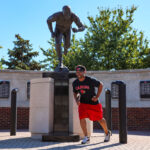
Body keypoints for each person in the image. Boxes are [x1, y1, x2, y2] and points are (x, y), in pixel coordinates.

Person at [72, 65, 111, 144]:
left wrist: (97, 97)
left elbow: (101, 84)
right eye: (77, 72)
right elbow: (75, 92)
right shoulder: (75, 83)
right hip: (83, 103)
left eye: (80, 71)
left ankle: (107, 133)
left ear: (84, 72)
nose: (78, 73)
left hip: (93, 103)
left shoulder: (90, 80)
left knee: (100, 119)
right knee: (82, 119)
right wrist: (76, 100)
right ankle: (86, 137)